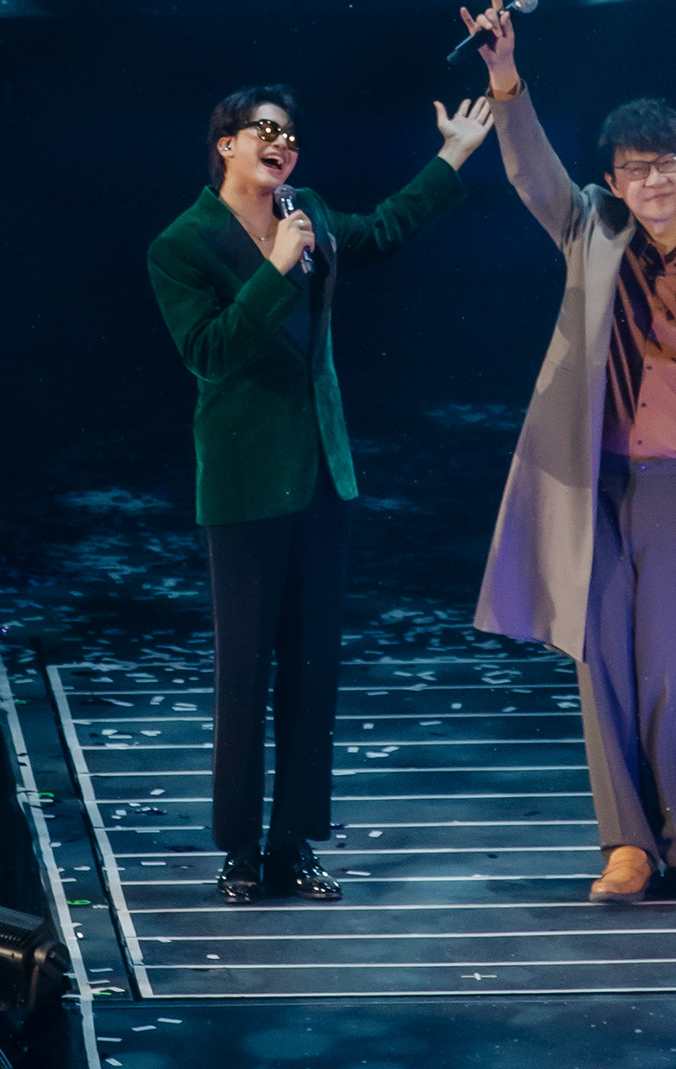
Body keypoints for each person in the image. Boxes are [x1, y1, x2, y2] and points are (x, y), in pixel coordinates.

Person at [461, 0, 676, 901]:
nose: (655, 181)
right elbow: (532, 173)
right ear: (614, 180)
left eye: (667, 163)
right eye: (638, 169)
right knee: (601, 659)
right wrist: (507, 77)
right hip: (594, 485)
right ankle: (627, 844)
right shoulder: (589, 231)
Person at [148, 82, 494, 905]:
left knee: (312, 674)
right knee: (245, 674)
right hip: (244, 485)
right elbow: (210, 353)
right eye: (266, 131)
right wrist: (274, 270)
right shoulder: (183, 244)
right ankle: (239, 850)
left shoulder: (309, 214)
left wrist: (452, 156)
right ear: (227, 143)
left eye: (292, 136)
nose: (283, 144)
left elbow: (384, 229)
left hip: (320, 479)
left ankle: (292, 842)